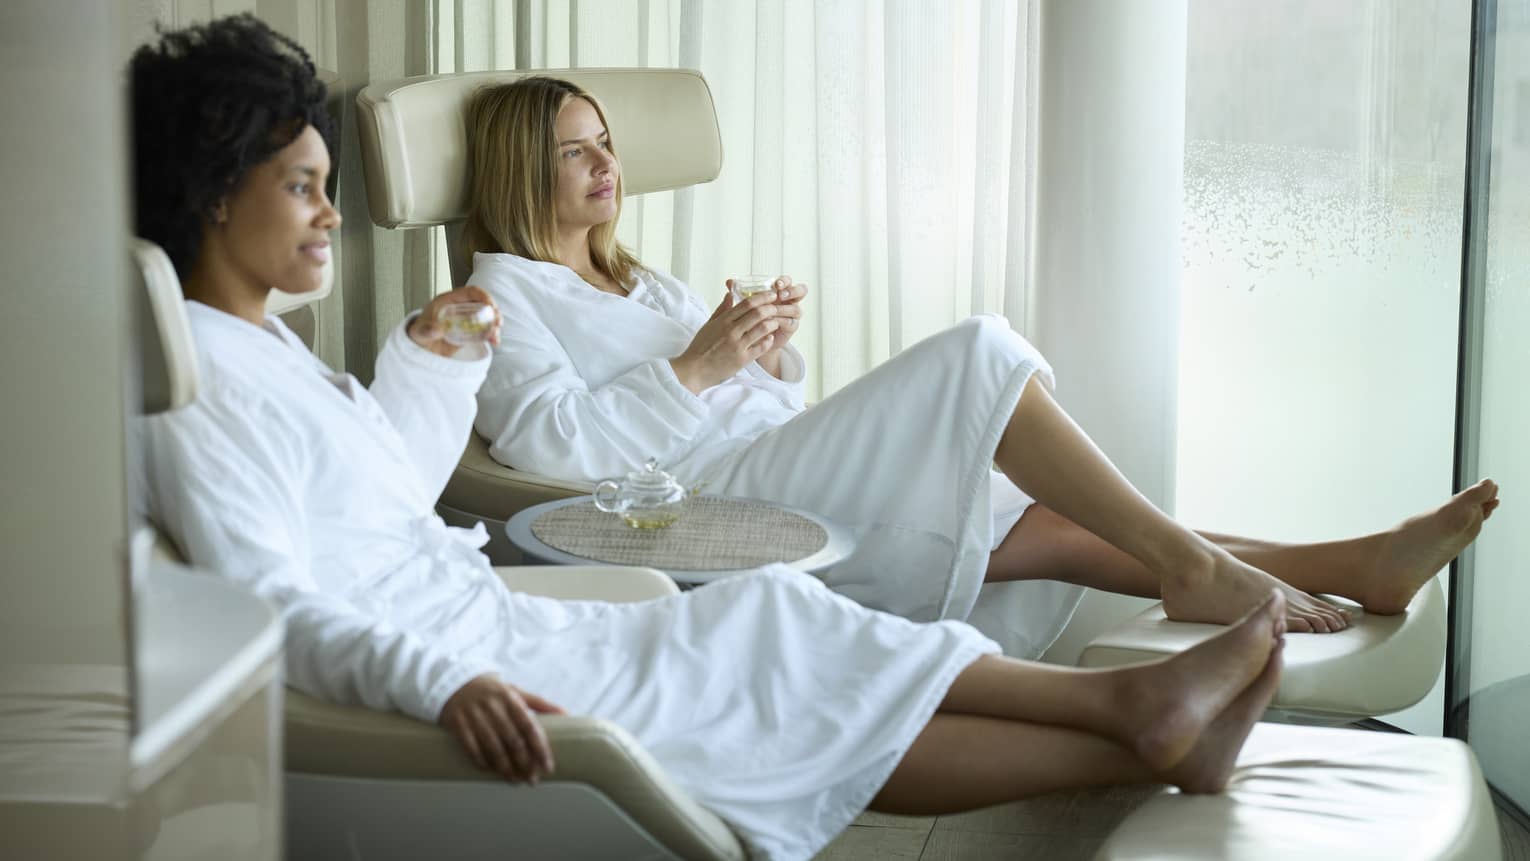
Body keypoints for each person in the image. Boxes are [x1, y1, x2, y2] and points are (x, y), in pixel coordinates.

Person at [132, 16, 1291, 860]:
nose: (331, 214)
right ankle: (1139, 715)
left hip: (490, 619)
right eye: (302, 186)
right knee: (771, 665)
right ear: (214, 192)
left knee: (778, 624)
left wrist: (430, 367)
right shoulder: (191, 390)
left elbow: (378, 497)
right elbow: (266, 603)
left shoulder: (268, 354)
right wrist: (440, 684)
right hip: (468, 653)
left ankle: (1141, 716)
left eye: (331, 184)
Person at [463, 76, 1501, 653]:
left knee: (1044, 523)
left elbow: (739, 390)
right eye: (575, 150)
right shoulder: (499, 296)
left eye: (605, 142)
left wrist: (759, 354)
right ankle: (1200, 568)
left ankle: (1344, 565)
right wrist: (697, 368)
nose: (608, 164)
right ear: (522, 167)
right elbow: (552, 450)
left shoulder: (639, 282)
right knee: (980, 352)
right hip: (694, 511)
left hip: (764, 461)